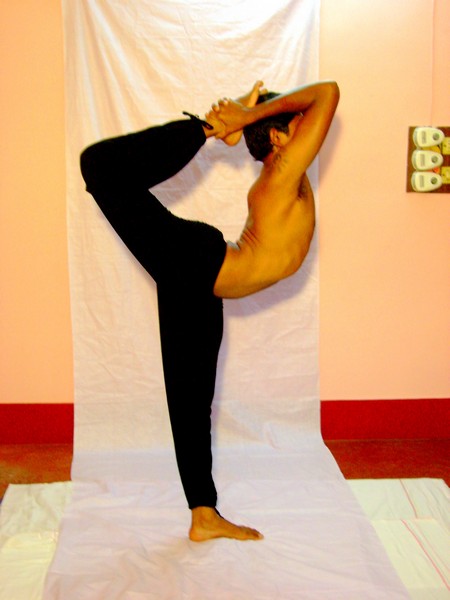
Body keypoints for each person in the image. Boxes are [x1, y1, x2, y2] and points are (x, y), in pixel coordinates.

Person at [80, 80, 339, 543]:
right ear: (279, 138)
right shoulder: (283, 170)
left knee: (190, 398)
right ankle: (202, 127)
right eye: (297, 124)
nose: (308, 127)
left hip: (199, 279)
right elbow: (328, 93)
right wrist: (240, 118)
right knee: (99, 165)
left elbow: (318, 99)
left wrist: (248, 116)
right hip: (197, 261)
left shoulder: (284, 171)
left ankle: (204, 515)